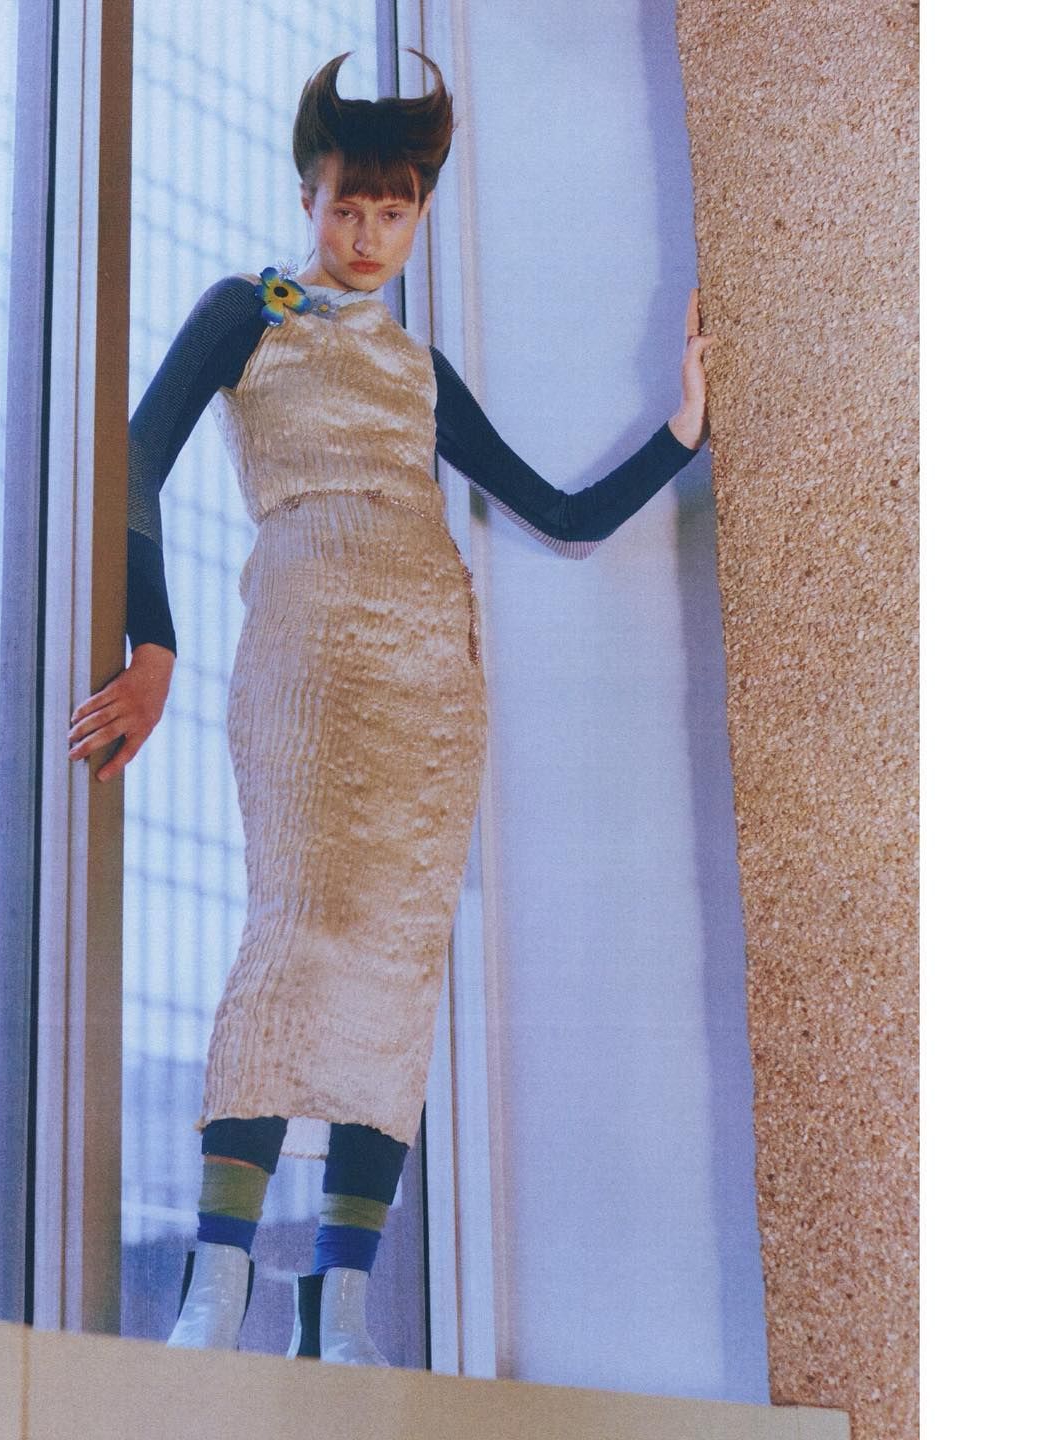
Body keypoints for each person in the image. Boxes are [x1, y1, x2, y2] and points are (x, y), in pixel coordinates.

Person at [66, 50, 716, 1365]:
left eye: (395, 211)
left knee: (401, 966)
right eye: (348, 206)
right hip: (308, 653)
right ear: (309, 195)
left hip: (433, 683)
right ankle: (217, 1288)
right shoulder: (246, 311)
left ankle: (343, 1304)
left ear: (420, 217)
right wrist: (156, 642)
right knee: (298, 934)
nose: (368, 235)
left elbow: (561, 519)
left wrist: (684, 430)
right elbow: (129, 454)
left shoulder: (419, 368)